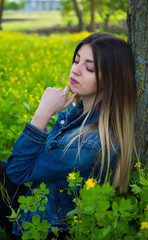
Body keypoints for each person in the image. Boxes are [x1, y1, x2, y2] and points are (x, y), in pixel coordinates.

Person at [0, 32, 137, 240]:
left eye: (89, 67)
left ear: (112, 80)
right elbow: (28, 165)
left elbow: (18, 171)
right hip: (43, 203)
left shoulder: (91, 144)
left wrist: (42, 113)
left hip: (48, 229)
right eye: (76, 60)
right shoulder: (76, 114)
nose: (76, 70)